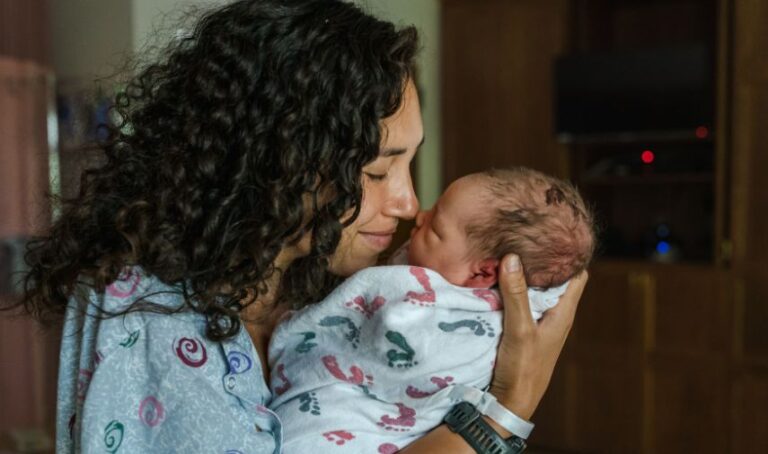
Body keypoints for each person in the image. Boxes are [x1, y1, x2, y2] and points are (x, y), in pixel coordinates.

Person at [5, 1, 588, 452]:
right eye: (377, 170)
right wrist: (507, 409)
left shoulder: (314, 281)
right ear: (281, 160)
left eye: (409, 164)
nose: (410, 202)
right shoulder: (158, 318)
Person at [268, 168, 595, 452]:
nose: (418, 214)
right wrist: (510, 410)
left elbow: (392, 331)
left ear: (483, 273)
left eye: (436, 229)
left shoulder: (462, 319)